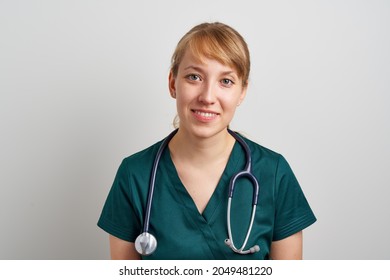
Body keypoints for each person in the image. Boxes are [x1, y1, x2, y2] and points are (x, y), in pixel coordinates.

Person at [97, 22, 316, 260]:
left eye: (226, 81)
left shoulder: (274, 174)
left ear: (242, 92)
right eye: (194, 77)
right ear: (173, 83)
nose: (208, 97)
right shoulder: (134, 175)